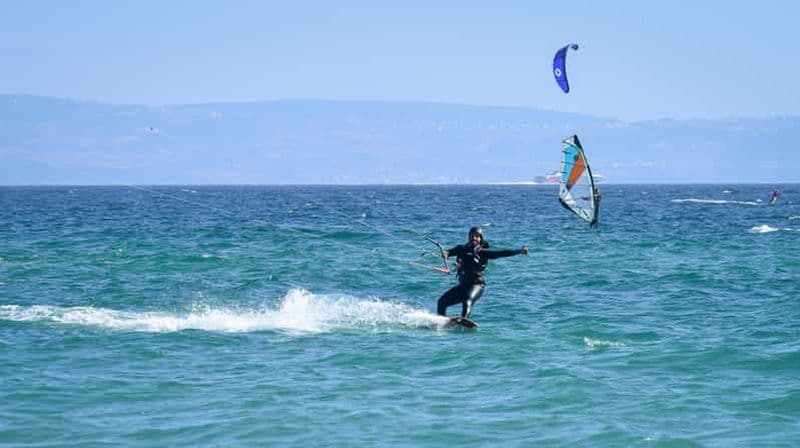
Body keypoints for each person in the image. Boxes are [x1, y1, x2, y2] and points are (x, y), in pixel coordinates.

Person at [436, 227, 528, 319]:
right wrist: (445, 253)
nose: (474, 238)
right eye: (472, 236)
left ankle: (464, 320)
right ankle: (441, 322)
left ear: (480, 239)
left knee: (467, 300)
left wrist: (519, 251)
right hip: (463, 286)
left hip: (477, 285)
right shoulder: (461, 248)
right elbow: (449, 252)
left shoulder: (481, 252)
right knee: (442, 302)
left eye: (477, 236)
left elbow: (501, 253)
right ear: (469, 237)